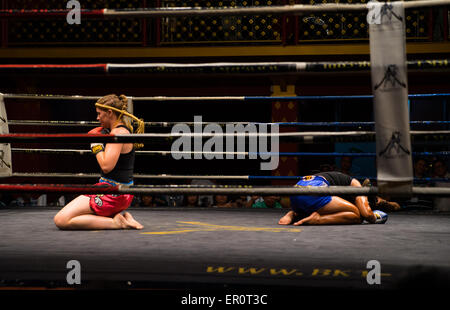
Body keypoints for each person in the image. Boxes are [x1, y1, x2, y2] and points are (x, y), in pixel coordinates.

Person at [54, 94, 145, 230]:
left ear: (109, 113)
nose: (97, 118)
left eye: (99, 114)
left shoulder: (118, 133)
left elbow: (106, 166)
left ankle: (117, 223)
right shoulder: (118, 130)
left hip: (113, 193)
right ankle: (120, 217)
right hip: (115, 191)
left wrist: (96, 144)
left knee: (61, 220)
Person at [278, 171, 388, 226]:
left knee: (343, 212)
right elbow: (367, 215)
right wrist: (377, 217)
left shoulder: (333, 178)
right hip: (314, 192)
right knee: (356, 215)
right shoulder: (356, 185)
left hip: (296, 193)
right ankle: (317, 219)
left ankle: (294, 213)